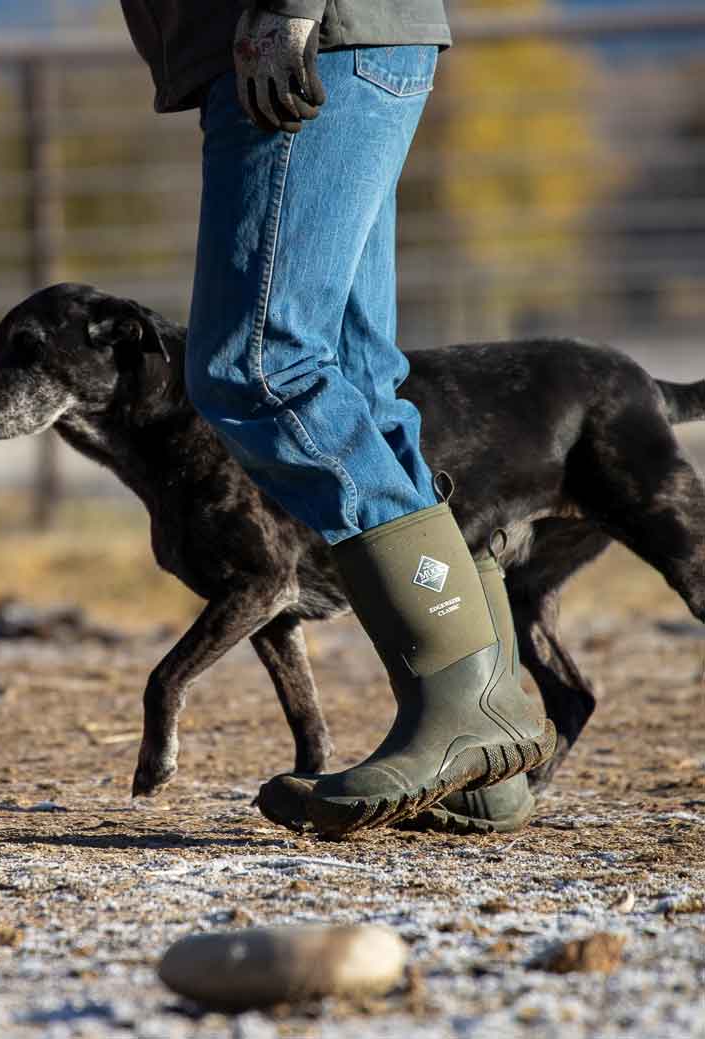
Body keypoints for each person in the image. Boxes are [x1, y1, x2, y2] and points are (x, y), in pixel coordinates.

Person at [118, 0, 555, 838]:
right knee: (353, 375)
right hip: (338, 40)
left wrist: (285, 9)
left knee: (256, 364)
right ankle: (486, 725)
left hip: (302, 39)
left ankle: (461, 703)